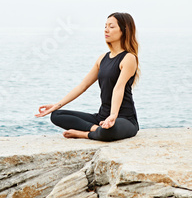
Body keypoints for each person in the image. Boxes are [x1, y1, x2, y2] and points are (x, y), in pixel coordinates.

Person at [34, 12, 140, 141]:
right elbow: (83, 86)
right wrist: (56, 105)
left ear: (124, 30)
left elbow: (119, 88)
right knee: (56, 115)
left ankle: (83, 133)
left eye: (111, 27)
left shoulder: (128, 58)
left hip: (124, 118)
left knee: (110, 131)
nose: (106, 30)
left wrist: (113, 115)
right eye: (105, 26)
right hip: (101, 117)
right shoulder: (102, 59)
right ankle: (96, 129)